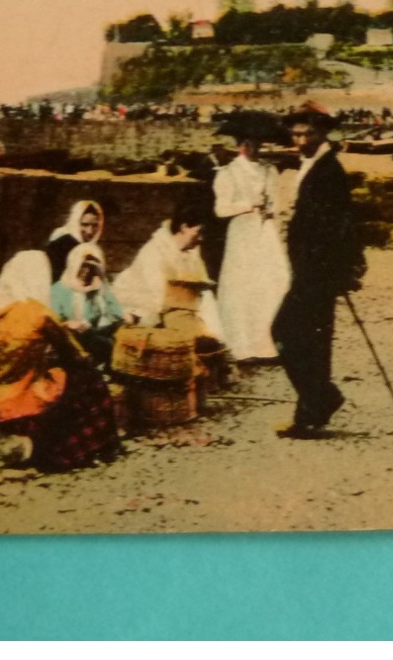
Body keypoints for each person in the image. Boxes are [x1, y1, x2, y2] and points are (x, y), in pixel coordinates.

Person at [0, 250, 119, 472]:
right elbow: (74, 353)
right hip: (22, 406)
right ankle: (88, 446)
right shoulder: (36, 313)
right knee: (87, 377)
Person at [274, 110, 364, 438]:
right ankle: (311, 412)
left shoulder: (329, 171)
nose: (300, 141)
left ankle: (321, 398)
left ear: (323, 134)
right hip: (309, 268)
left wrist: (340, 269)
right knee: (312, 340)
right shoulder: (313, 165)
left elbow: (340, 226)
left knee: (284, 331)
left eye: (307, 134)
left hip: (317, 269)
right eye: (296, 135)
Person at [213, 132, 291, 362]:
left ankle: (267, 345)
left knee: (272, 282)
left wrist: (269, 207)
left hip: (264, 232)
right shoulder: (228, 173)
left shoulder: (269, 170)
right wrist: (248, 205)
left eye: (256, 143)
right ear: (239, 146)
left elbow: (277, 204)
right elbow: (221, 209)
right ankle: (242, 346)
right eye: (246, 143)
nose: (251, 148)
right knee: (242, 286)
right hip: (241, 232)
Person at [113, 204, 225, 338]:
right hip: (142, 298)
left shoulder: (191, 252)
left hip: (177, 302)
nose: (201, 238)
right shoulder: (154, 251)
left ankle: (216, 340)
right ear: (184, 227)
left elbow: (200, 281)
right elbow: (159, 293)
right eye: (198, 232)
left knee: (206, 299)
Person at [50, 242, 124, 369]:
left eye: (91, 267)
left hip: (91, 337)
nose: (86, 271)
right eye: (83, 266)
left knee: (109, 339)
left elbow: (116, 312)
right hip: (68, 339)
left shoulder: (97, 287)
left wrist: (104, 290)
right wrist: (68, 324)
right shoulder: (59, 289)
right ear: (74, 265)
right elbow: (51, 322)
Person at [45, 199, 103, 281]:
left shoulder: (92, 248)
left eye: (95, 225)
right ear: (75, 222)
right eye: (85, 225)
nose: (90, 231)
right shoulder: (60, 245)